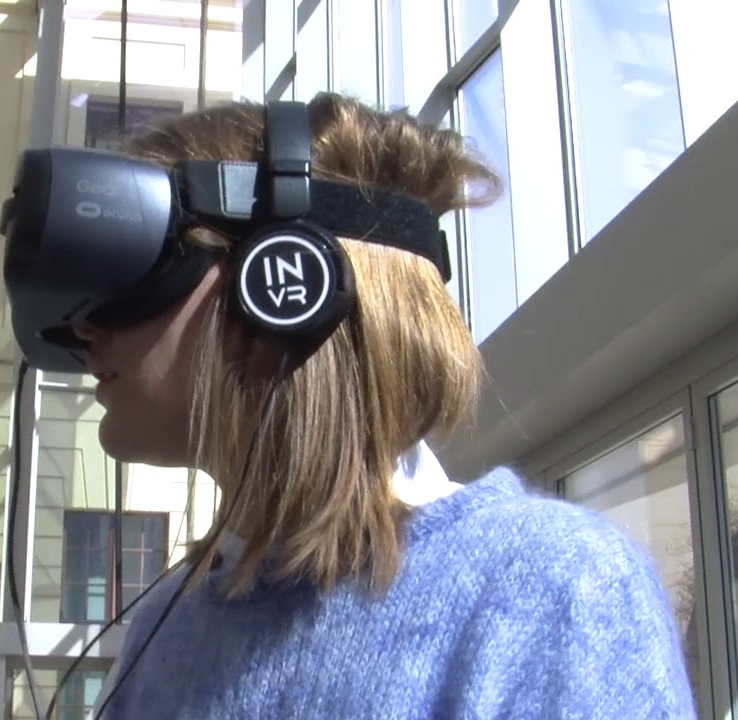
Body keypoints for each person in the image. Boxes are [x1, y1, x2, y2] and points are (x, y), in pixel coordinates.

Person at [71, 92, 696, 719]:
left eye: (141, 266)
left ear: (285, 287)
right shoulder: (163, 628)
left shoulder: (551, 589)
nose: (84, 328)